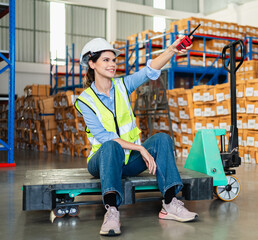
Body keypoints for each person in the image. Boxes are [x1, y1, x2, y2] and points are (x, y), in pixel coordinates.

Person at [74, 37, 197, 236]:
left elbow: (148, 71)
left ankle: (169, 203)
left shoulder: (123, 85)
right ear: (91, 63)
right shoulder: (85, 100)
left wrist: (171, 50)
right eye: (106, 60)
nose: (112, 64)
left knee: (162, 139)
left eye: (113, 60)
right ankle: (112, 212)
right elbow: (104, 137)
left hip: (129, 161)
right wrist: (140, 148)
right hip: (102, 161)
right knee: (111, 146)